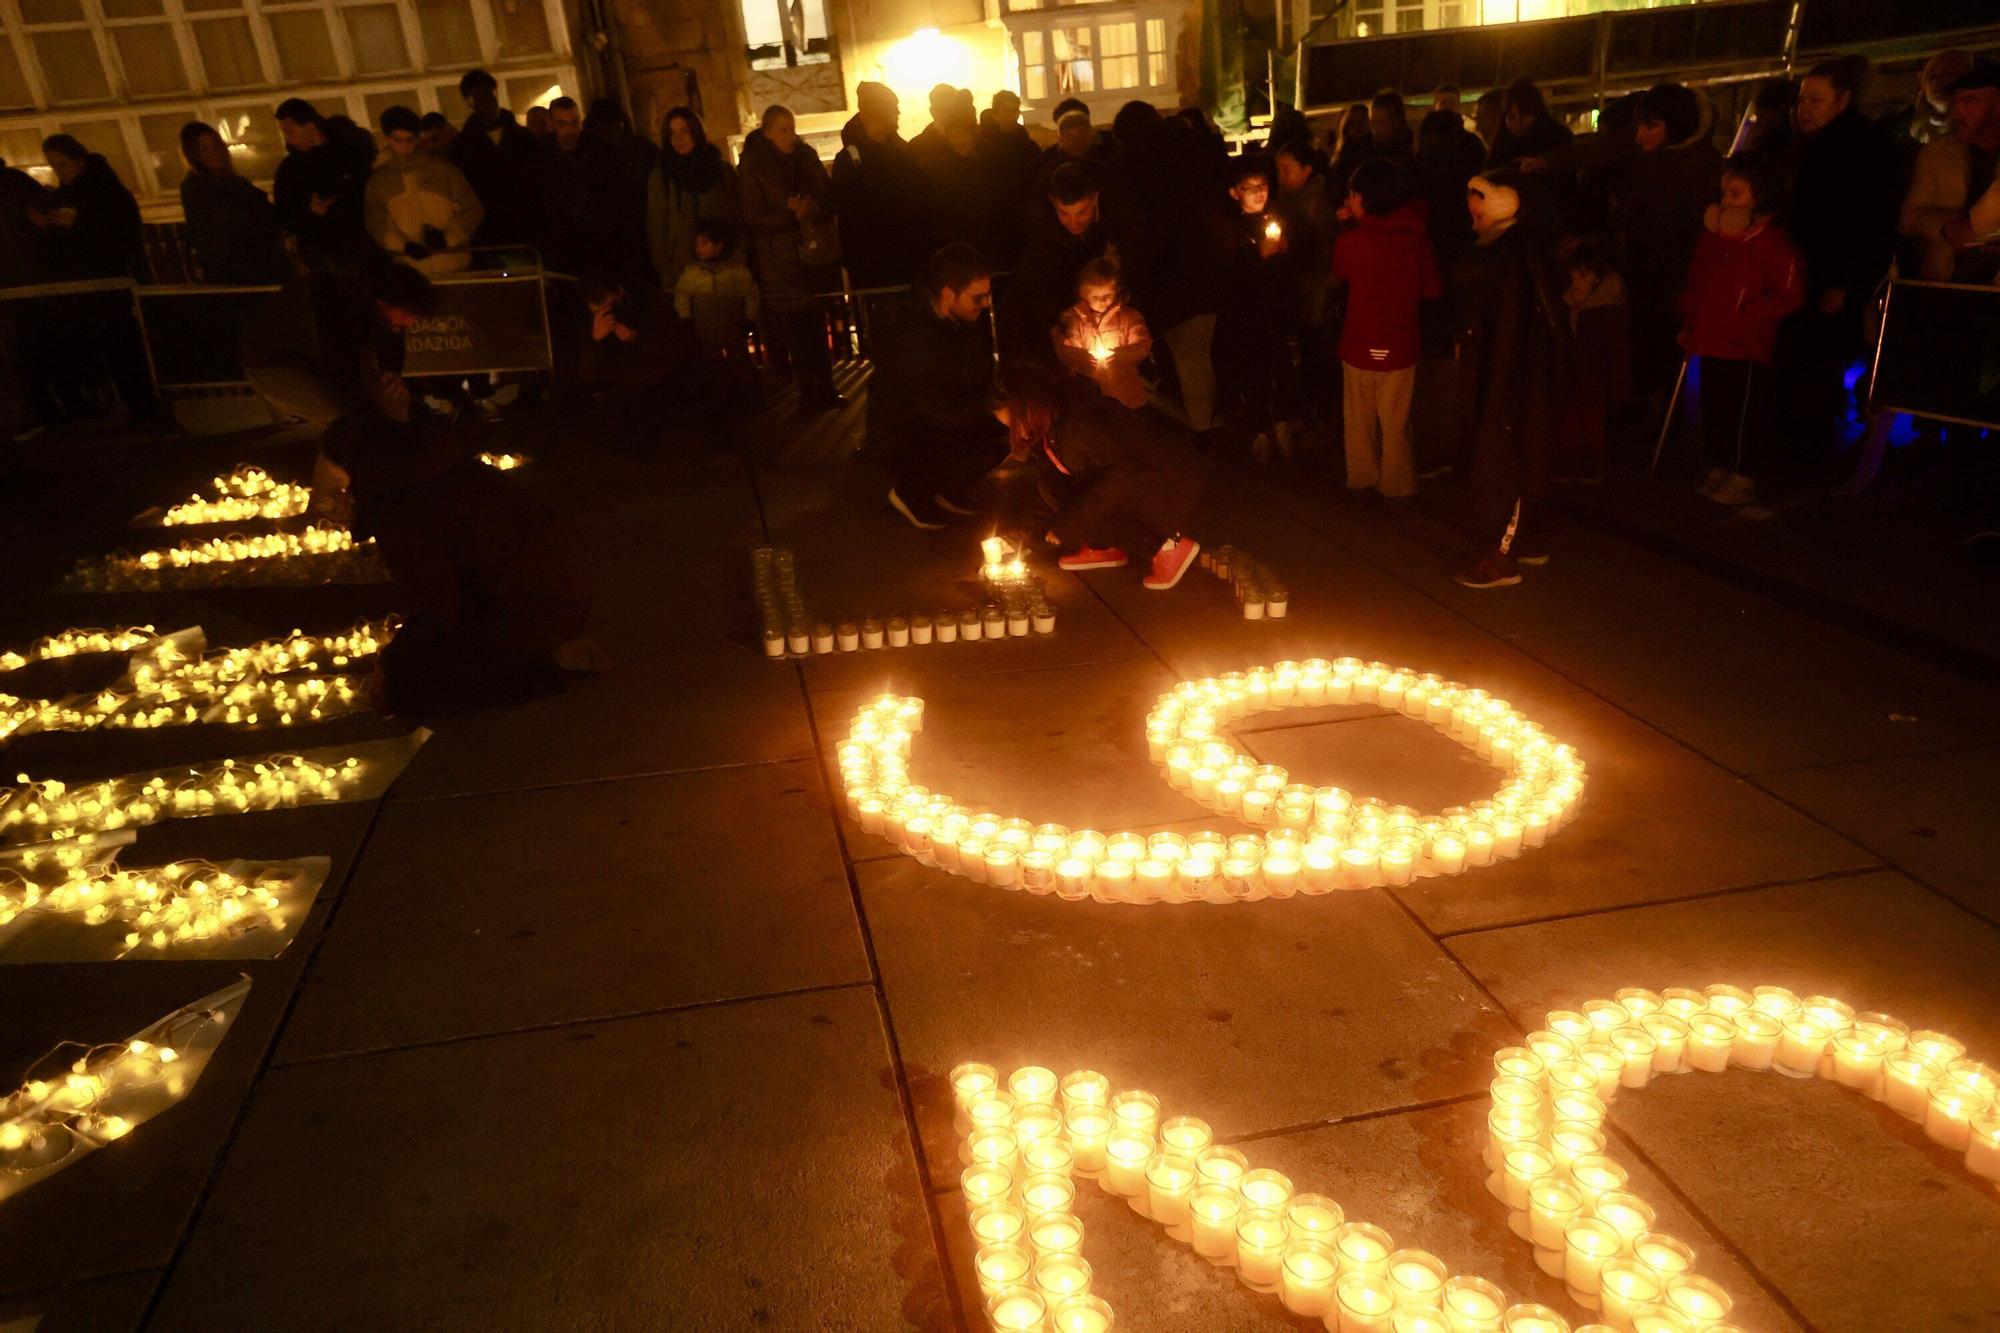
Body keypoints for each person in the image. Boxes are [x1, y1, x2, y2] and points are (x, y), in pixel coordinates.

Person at [1780, 56, 1902, 481]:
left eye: (1816, 100)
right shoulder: (1814, 146)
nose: (1804, 109)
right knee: (1806, 365)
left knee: (1817, 366)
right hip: (1808, 273)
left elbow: (1869, 223)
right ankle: (1802, 454)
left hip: (1830, 277)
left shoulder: (1859, 150)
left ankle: (1809, 458)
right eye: (1802, 100)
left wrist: (1845, 282)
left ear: (1843, 100)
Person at [1454, 169, 1568, 589]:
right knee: (1517, 457)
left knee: (1501, 462)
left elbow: (1526, 322)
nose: (1473, 218)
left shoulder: (1511, 252)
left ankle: (1500, 554)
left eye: (1479, 209)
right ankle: (1527, 538)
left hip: (1514, 375)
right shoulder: (1512, 249)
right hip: (1509, 372)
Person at [995, 368, 1207, 590]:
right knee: (1054, 487)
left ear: (1032, 405)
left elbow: (1121, 475)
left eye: (1016, 424)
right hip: (1140, 478)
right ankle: (1104, 546)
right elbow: (1055, 487)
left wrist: (1071, 523)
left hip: (1167, 484)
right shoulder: (1053, 423)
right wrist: (1015, 537)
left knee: (1075, 506)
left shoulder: (1078, 421)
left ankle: (1169, 546)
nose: (1019, 434)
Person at [1680, 154, 1805, 509]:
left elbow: (1790, 292)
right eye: (1724, 193)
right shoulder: (1713, 241)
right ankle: (1718, 465)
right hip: (1712, 338)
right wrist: (1689, 322)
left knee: (1744, 412)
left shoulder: (1772, 243)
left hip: (1746, 343)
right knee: (1714, 407)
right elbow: (1696, 283)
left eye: (1736, 194)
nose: (1726, 201)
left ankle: (1743, 475)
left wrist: (1751, 312)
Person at [868, 243, 1004, 529]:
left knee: (1004, 434)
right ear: (948, 294)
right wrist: (992, 410)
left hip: (940, 415)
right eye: (978, 297)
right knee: (988, 436)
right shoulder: (910, 335)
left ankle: (945, 487)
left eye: (987, 295)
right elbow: (934, 408)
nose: (986, 303)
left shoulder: (959, 319)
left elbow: (975, 373)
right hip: (903, 431)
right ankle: (910, 493)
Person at [31, 134, 162, 428]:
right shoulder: (71, 193)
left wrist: (77, 225)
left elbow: (118, 235)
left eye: (62, 164)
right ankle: (133, 407)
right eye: (54, 166)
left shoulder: (105, 192)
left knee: (124, 349)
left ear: (79, 160)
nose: (59, 172)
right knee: (111, 350)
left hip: (109, 283)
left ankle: (144, 408)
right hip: (88, 287)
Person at [1332, 159, 1440, 499]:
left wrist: (1347, 227)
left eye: (1352, 195)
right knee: (1396, 419)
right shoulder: (1417, 237)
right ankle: (1398, 482)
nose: (1348, 200)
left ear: (1364, 198)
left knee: (1358, 415)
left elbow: (1340, 272)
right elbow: (1432, 289)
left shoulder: (1351, 241)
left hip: (1359, 340)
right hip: (1401, 342)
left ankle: (1363, 475)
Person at [1619, 83, 1722, 403]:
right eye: (1640, 125)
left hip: (1674, 277)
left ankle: (1665, 411)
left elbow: (1697, 232)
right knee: (1641, 343)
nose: (1640, 135)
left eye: (1651, 126)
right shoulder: (1651, 155)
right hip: (1642, 266)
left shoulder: (1702, 164)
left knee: (1665, 348)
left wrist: (1684, 285)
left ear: (1675, 125)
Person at [738, 103, 843, 410]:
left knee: (816, 323)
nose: (791, 136)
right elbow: (752, 215)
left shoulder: (805, 157)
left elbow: (826, 195)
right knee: (797, 329)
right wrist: (790, 216)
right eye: (783, 130)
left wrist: (812, 207)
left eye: (792, 129)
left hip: (813, 253)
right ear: (768, 133)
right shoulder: (754, 165)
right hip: (781, 260)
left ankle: (826, 388)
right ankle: (809, 392)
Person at [575, 271, 707, 442]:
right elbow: (588, 375)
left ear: (620, 292)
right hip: (623, 382)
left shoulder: (651, 302)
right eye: (598, 311)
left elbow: (677, 348)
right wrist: (595, 340)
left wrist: (635, 337)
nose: (607, 313)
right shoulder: (592, 320)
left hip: (659, 376)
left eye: (610, 306)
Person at [1899, 64, 2000, 283]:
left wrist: (1978, 232)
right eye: (1956, 103)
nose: (1957, 113)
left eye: (1969, 103)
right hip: (1947, 279)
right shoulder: (1937, 154)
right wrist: (1945, 227)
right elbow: (1909, 217)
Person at [831, 82, 932, 289]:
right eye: (892, 107)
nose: (898, 112)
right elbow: (850, 214)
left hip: (909, 259)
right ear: (878, 112)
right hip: (873, 265)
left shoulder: (904, 153)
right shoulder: (851, 161)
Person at [365, 106, 482, 276]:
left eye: (410, 139)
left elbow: (470, 209)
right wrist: (404, 246)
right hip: (411, 271)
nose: (405, 146)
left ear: (418, 138)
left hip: (454, 264)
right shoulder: (378, 181)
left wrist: (447, 239)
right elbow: (377, 224)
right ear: (388, 139)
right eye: (398, 140)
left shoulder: (443, 170)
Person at [1553, 242, 1631, 484]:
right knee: (1570, 420)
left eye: (1583, 276)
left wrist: (1619, 384)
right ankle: (1569, 462)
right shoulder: (1570, 304)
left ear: (1597, 277)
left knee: (1590, 422)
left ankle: (1589, 464)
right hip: (1573, 373)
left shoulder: (1606, 310)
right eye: (1574, 276)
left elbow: (1617, 349)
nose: (1577, 282)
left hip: (1595, 376)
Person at [178, 122, 289, 284]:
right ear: (194, 155)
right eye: (204, 149)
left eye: (216, 145)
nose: (214, 153)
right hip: (234, 273)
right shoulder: (196, 189)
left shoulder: (237, 183)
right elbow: (222, 230)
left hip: (262, 265)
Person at [647, 106, 739, 290]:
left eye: (684, 131)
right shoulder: (661, 178)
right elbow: (657, 228)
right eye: (672, 133)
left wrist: (737, 260)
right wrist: (666, 272)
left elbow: (736, 219)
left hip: (724, 267)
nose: (678, 138)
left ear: (696, 132)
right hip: (683, 270)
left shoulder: (721, 172)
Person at [448, 69, 540, 249]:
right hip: (488, 232)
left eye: (489, 97)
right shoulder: (461, 147)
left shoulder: (525, 139)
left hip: (526, 227)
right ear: (470, 103)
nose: (487, 105)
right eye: (479, 99)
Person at [273, 98, 370, 266]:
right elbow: (284, 216)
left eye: (290, 132)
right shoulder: (289, 170)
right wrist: (311, 215)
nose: (288, 140)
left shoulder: (349, 154)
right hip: (321, 253)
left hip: (360, 245)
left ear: (310, 126)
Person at [1053, 256, 1151, 408]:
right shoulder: (1077, 321)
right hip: (1092, 393)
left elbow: (1143, 345)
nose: (1102, 301)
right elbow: (1067, 350)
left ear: (1116, 292)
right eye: (1096, 297)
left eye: (1107, 296)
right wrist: (1081, 357)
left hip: (1124, 391)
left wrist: (1122, 355)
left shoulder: (1129, 317)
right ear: (1084, 295)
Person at [674, 218, 758, 361]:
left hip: (733, 329)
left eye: (704, 243)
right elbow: (682, 296)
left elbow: (751, 296)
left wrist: (750, 319)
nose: (698, 248)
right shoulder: (692, 273)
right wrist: (686, 318)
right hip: (705, 331)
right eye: (696, 244)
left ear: (719, 245)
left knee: (738, 360)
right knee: (711, 361)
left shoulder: (737, 273)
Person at [977, 90, 1043, 266]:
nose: (1011, 115)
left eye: (1014, 110)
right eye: (1006, 110)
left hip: (1022, 220)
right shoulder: (983, 148)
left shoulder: (1028, 147)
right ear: (995, 114)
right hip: (994, 220)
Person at [1490, 78, 1573, 168]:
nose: (1518, 122)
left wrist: (1544, 163)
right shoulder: (1501, 144)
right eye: (1511, 117)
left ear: (1537, 114)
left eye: (1525, 115)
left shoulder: (1558, 138)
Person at [1329, 103, 1376, 194]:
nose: (1357, 126)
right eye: (1352, 122)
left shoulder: (1375, 152)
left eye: (1362, 121)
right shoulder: (1342, 155)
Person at [1370, 89, 1415, 164]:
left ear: (1396, 122)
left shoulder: (1413, 153)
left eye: (1380, 123)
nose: (1375, 128)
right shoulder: (1368, 151)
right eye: (1373, 122)